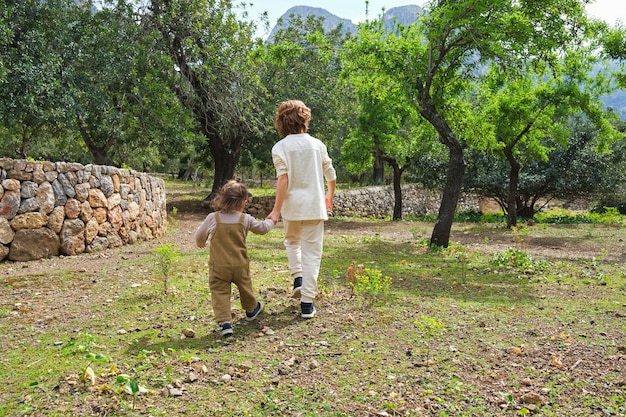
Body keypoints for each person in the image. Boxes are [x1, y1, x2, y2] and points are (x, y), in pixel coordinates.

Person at [267, 100, 336, 319]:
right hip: (315, 206)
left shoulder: (280, 148)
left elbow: (283, 180)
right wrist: (329, 196)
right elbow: (331, 174)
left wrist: (276, 211)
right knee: (312, 254)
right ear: (305, 118)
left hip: (292, 208)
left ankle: (297, 277)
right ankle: (307, 303)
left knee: (292, 242)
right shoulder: (318, 145)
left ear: (281, 122)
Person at [195, 180, 275, 336]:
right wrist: (271, 220)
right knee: (245, 286)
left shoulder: (213, 218)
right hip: (240, 264)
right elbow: (262, 229)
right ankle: (252, 310)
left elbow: (199, 235)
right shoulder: (245, 219)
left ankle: (225, 323)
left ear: (221, 199)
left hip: (219, 266)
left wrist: (201, 242)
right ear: (244, 202)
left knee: (219, 291)